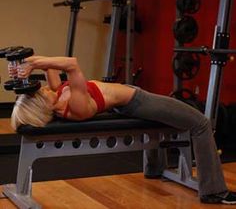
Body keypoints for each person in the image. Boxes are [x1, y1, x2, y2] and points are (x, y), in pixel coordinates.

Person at [9, 55, 236, 205]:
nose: (41, 89)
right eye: (38, 94)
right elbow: (72, 63)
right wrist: (35, 64)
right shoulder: (74, 106)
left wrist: (22, 65)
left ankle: (155, 169)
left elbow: (51, 64)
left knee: (165, 121)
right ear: (42, 105)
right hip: (136, 101)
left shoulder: (58, 97)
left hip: (127, 102)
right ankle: (214, 191)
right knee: (200, 123)